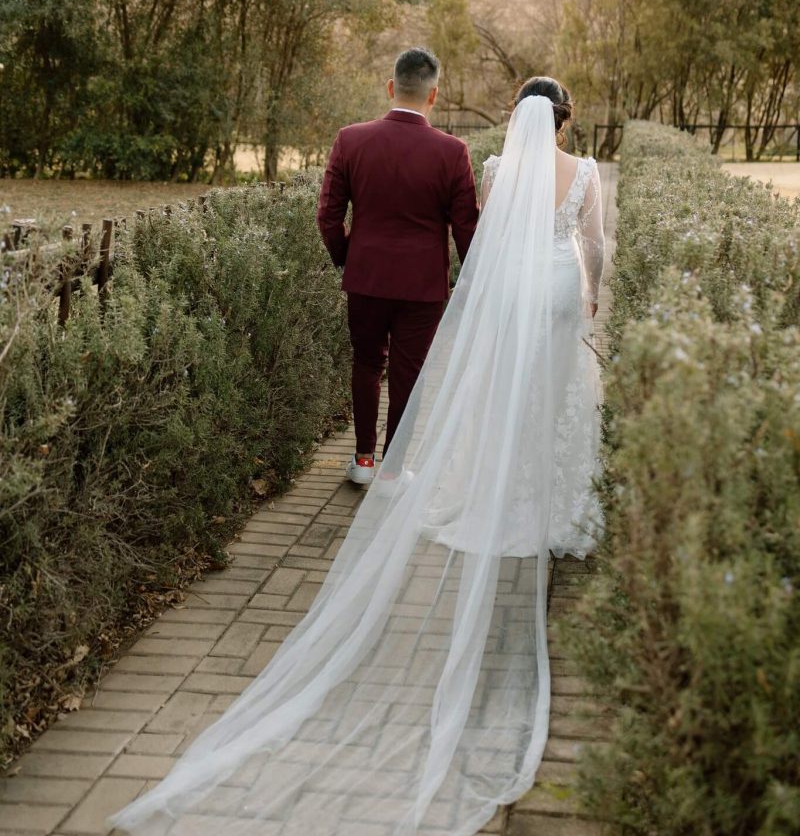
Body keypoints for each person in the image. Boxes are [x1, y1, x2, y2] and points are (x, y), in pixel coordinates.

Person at [110, 77, 605, 836]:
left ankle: (466, 481)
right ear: (565, 121)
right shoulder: (579, 171)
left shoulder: (494, 166)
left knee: (484, 387)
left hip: (499, 287)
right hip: (555, 286)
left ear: (517, 118)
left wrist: (472, 297)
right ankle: (549, 498)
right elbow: (591, 244)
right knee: (552, 389)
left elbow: (477, 236)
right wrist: (591, 292)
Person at [316, 47, 480, 486]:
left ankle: (363, 462)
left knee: (366, 364)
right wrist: (472, 280)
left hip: (366, 278)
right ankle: (391, 472)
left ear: (391, 87)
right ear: (434, 94)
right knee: (410, 374)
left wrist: (347, 257)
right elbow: (467, 228)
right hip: (423, 287)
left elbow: (328, 215)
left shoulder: (350, 139)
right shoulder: (453, 151)